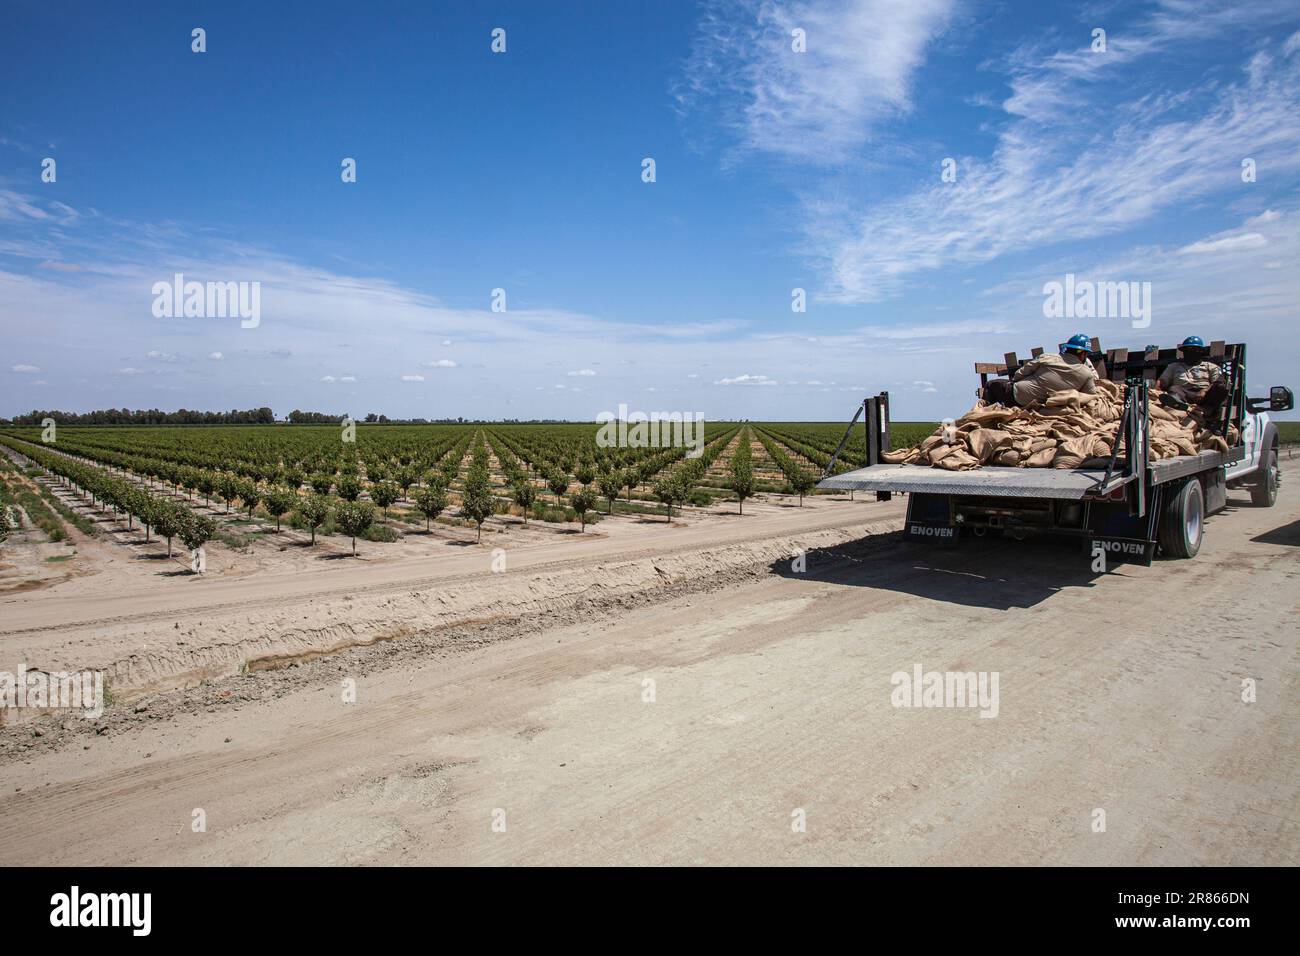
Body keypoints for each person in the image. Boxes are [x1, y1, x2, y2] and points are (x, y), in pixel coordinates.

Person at [983, 333, 1098, 407]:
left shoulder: (1048, 357)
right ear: (1083, 354)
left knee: (991, 385)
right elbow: (1089, 395)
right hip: (1045, 405)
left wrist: (1015, 382)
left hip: (1017, 397)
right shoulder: (1087, 374)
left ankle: (982, 419)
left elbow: (1020, 373)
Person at [1158, 335, 1227, 409]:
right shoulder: (1174, 366)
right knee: (1174, 388)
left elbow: (1218, 382)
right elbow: (1162, 382)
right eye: (1186, 351)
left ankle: (1210, 410)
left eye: (1193, 350)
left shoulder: (1210, 366)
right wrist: (1155, 392)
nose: (1189, 353)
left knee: (1220, 387)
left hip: (1204, 395)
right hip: (1184, 393)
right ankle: (1178, 405)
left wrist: (1205, 391)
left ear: (1201, 351)